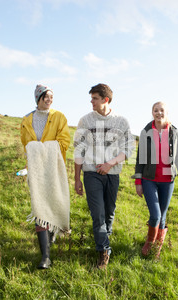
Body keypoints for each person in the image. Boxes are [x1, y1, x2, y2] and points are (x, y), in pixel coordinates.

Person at [74, 83, 135, 270]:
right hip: (91, 173)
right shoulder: (85, 121)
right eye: (91, 98)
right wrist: (76, 178)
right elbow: (78, 150)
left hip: (113, 174)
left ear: (105, 100)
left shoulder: (122, 122)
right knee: (98, 213)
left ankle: (104, 244)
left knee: (109, 212)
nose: (91, 102)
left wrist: (110, 163)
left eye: (95, 98)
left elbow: (128, 149)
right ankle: (103, 251)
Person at [20, 84, 71, 269]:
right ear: (38, 98)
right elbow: (26, 143)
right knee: (39, 204)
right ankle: (46, 256)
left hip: (54, 166)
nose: (49, 100)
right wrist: (34, 152)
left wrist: (45, 150)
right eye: (46, 96)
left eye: (51, 97)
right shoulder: (26, 120)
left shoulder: (59, 117)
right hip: (36, 169)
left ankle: (51, 238)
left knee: (54, 201)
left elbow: (64, 141)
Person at [134, 101, 178, 259]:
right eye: (155, 110)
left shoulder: (174, 132)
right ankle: (149, 243)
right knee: (156, 215)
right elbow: (140, 160)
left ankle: (156, 249)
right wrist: (138, 182)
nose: (159, 113)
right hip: (149, 179)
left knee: (163, 216)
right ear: (152, 113)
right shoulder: (146, 131)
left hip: (167, 180)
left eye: (161, 110)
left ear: (167, 112)